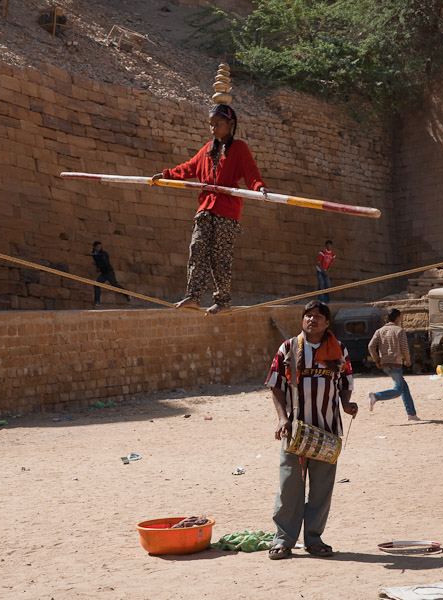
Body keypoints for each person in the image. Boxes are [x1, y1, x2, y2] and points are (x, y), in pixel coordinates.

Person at [151, 103, 268, 314]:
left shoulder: (240, 148)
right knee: (197, 250)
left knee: (220, 257)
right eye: (211, 124)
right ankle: (193, 296)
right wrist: (166, 174)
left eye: (218, 124)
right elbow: (188, 168)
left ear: (230, 124)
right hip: (205, 209)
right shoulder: (207, 149)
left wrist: (259, 188)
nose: (214, 128)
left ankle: (222, 301)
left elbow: (251, 174)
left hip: (227, 211)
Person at [265, 300, 358, 560]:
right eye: (308, 315)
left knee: (321, 488)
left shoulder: (339, 349)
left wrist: (346, 402)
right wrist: (283, 418)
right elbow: (274, 384)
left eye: (318, 316)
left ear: (327, 323)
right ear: (302, 320)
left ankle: (314, 540)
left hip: (327, 430)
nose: (312, 319)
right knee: (289, 486)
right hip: (294, 430)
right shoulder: (288, 348)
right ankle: (283, 540)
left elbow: (345, 380)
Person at [367, 308, 420, 421]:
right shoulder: (399, 330)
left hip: (385, 364)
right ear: (397, 319)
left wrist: (377, 360)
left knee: (403, 387)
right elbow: (405, 348)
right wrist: (408, 360)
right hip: (395, 364)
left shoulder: (379, 331)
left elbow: (371, 346)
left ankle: (411, 414)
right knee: (398, 390)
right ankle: (376, 396)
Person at [91, 241, 130, 307]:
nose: (99, 248)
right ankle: (97, 302)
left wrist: (97, 265)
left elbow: (105, 263)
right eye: (98, 247)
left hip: (109, 272)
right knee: (96, 285)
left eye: (100, 247)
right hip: (103, 273)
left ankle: (127, 294)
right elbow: (97, 261)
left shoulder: (103, 254)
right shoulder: (94, 254)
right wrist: (97, 267)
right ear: (94, 247)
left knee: (114, 285)